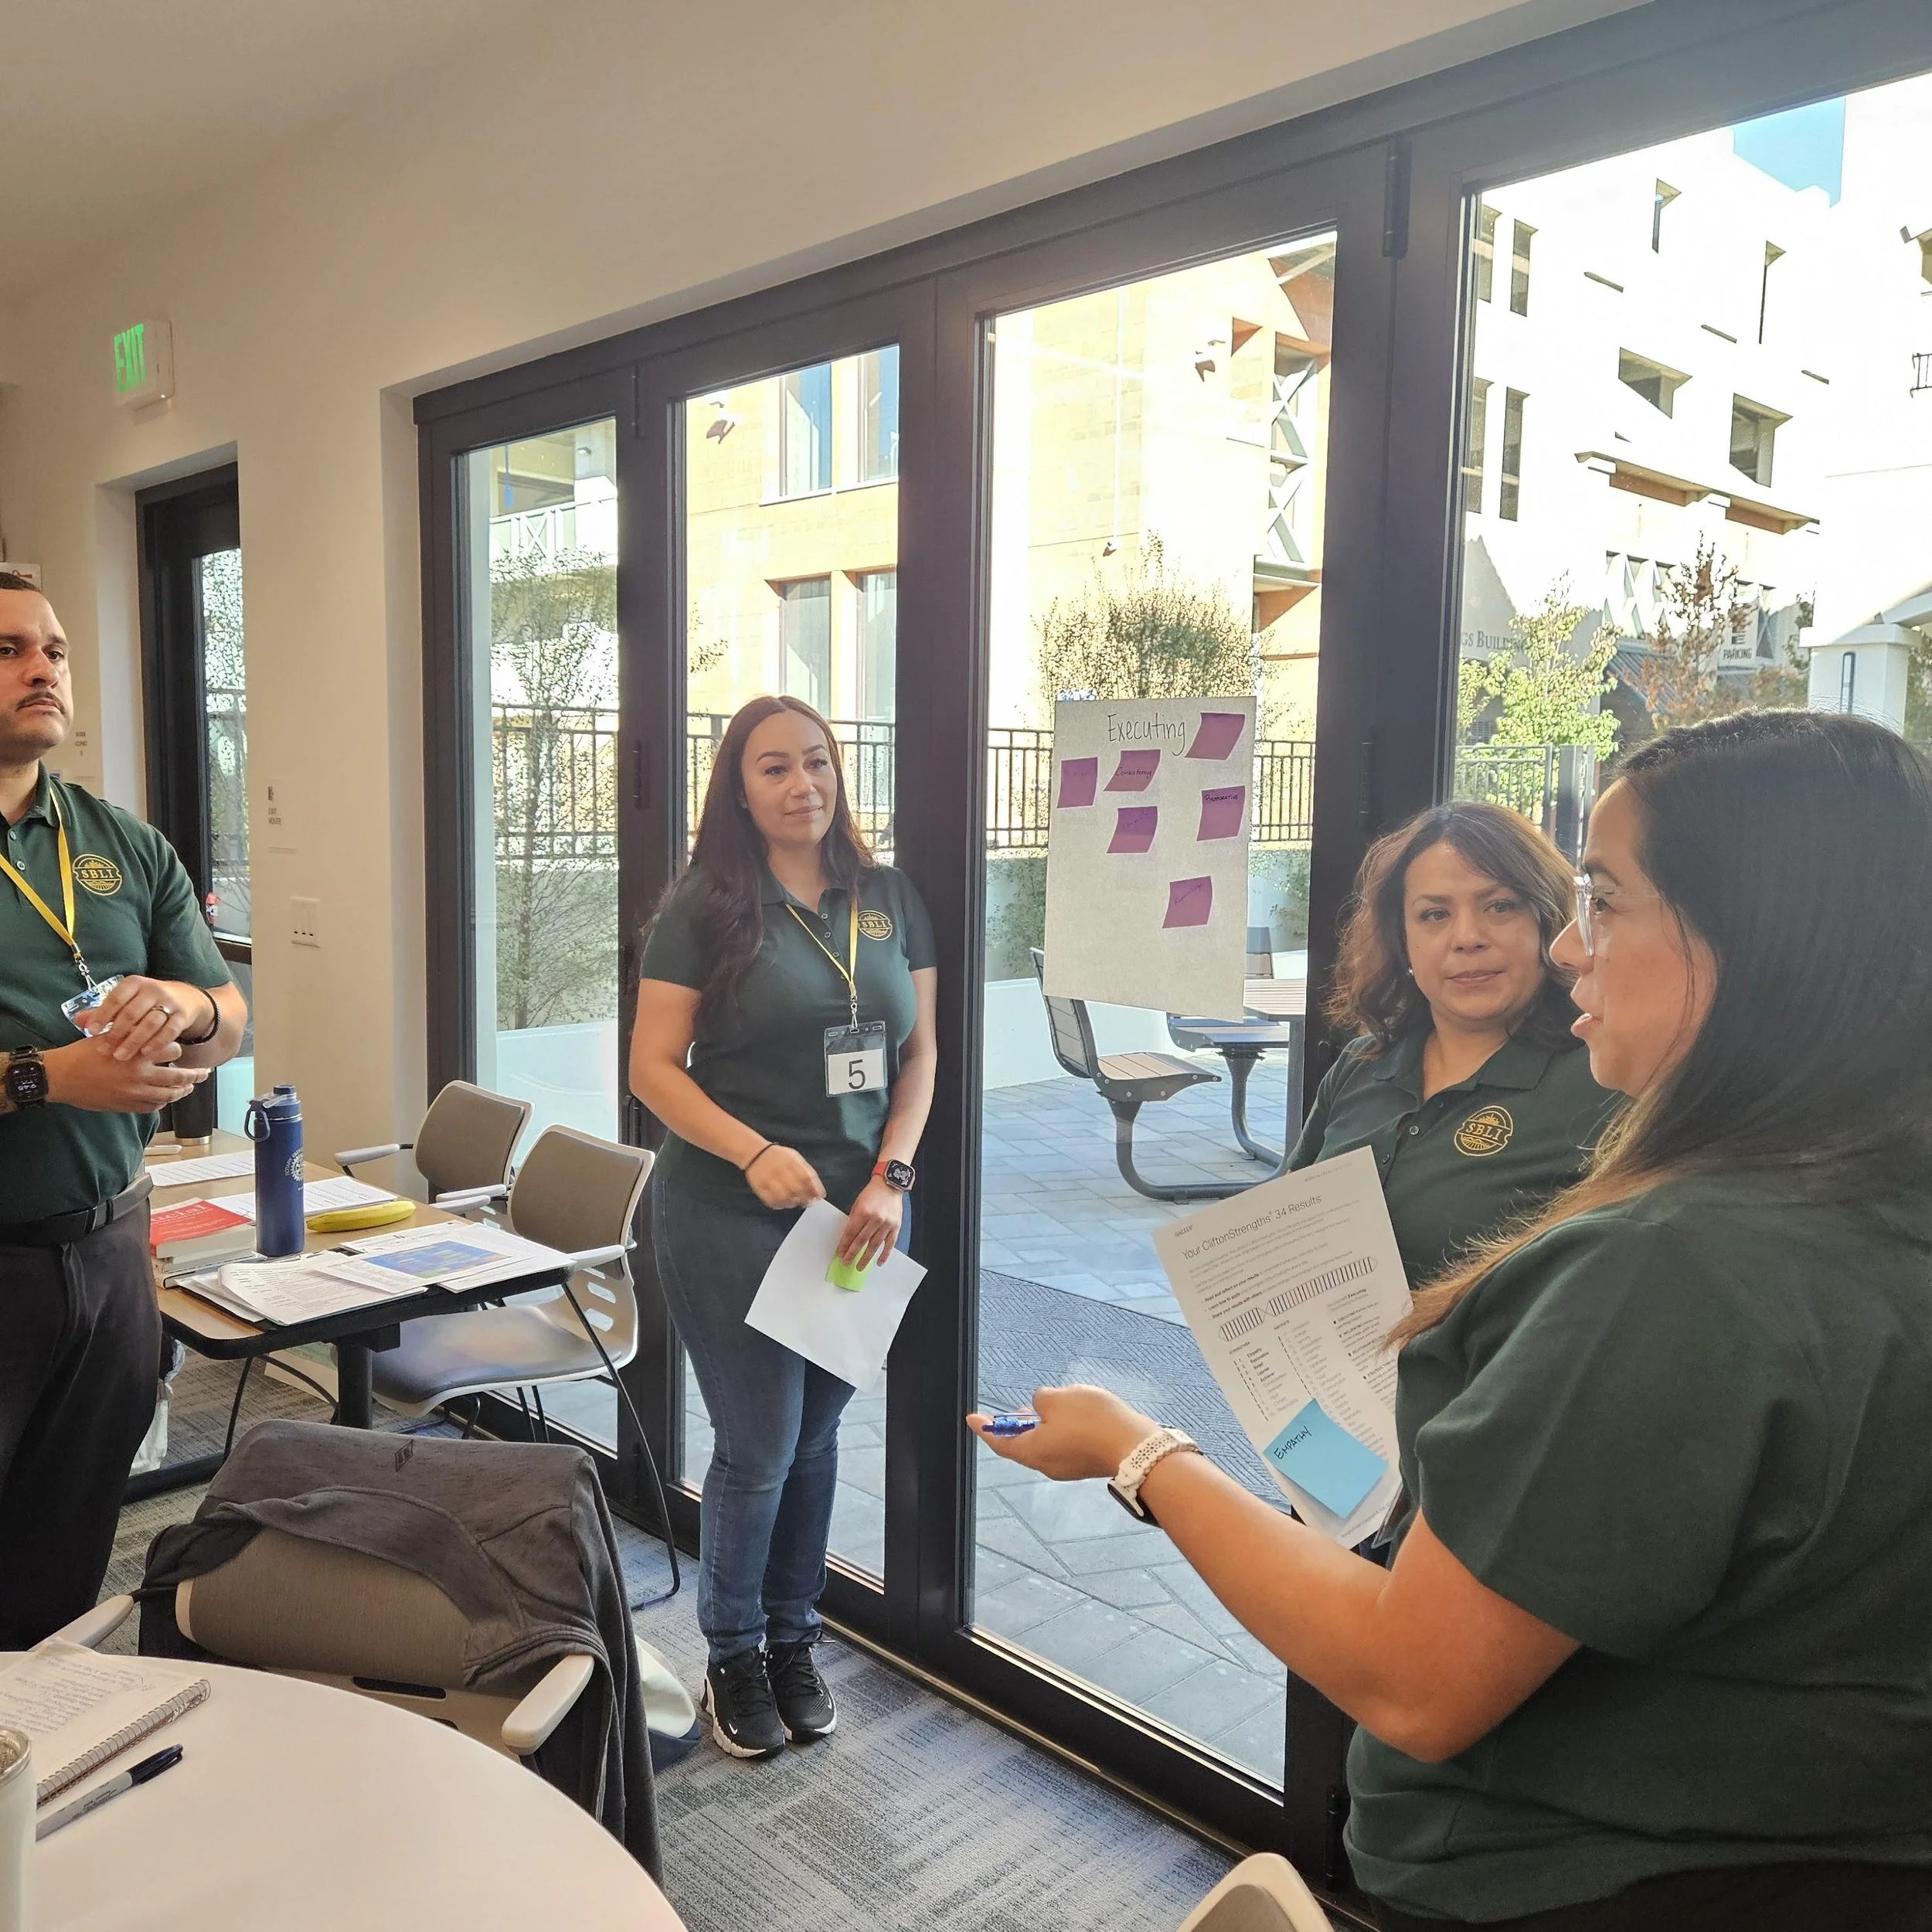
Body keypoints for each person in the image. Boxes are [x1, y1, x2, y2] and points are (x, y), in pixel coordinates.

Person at [971, 713, 1932, 1930]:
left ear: (1756, 934)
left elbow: (1412, 1681)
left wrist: (1133, 1447)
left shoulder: (1677, 1269)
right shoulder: (1862, 1192)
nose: (1571, 948)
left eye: (1603, 901)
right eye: (1439, 913)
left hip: (1592, 1873)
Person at [630, 694, 937, 1761]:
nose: (802, 783)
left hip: (858, 1222)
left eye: (816, 761)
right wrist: (752, 1151)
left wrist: (892, 1178)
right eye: (774, 768)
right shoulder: (707, 907)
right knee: (757, 1447)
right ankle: (733, 1652)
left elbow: (920, 1055)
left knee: (816, 1439)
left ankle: (795, 1638)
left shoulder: (887, 897)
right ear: (740, 787)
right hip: (731, 1212)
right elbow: (652, 1071)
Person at [0, 570, 247, 1647]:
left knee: (66, 1558)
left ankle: (34, 1785)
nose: (42, 668)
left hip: (108, 1257)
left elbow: (232, 1016)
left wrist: (184, 1000)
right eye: (9, 649)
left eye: (53, 648)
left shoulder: (121, 843)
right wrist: (41, 1077)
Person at [1290, 800, 1620, 1284]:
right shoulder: (1363, 1064)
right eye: (1434, 914)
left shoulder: (1603, 1079)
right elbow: (1284, 1231)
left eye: (1500, 906)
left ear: (1548, 921)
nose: (1468, 937)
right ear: (1403, 940)